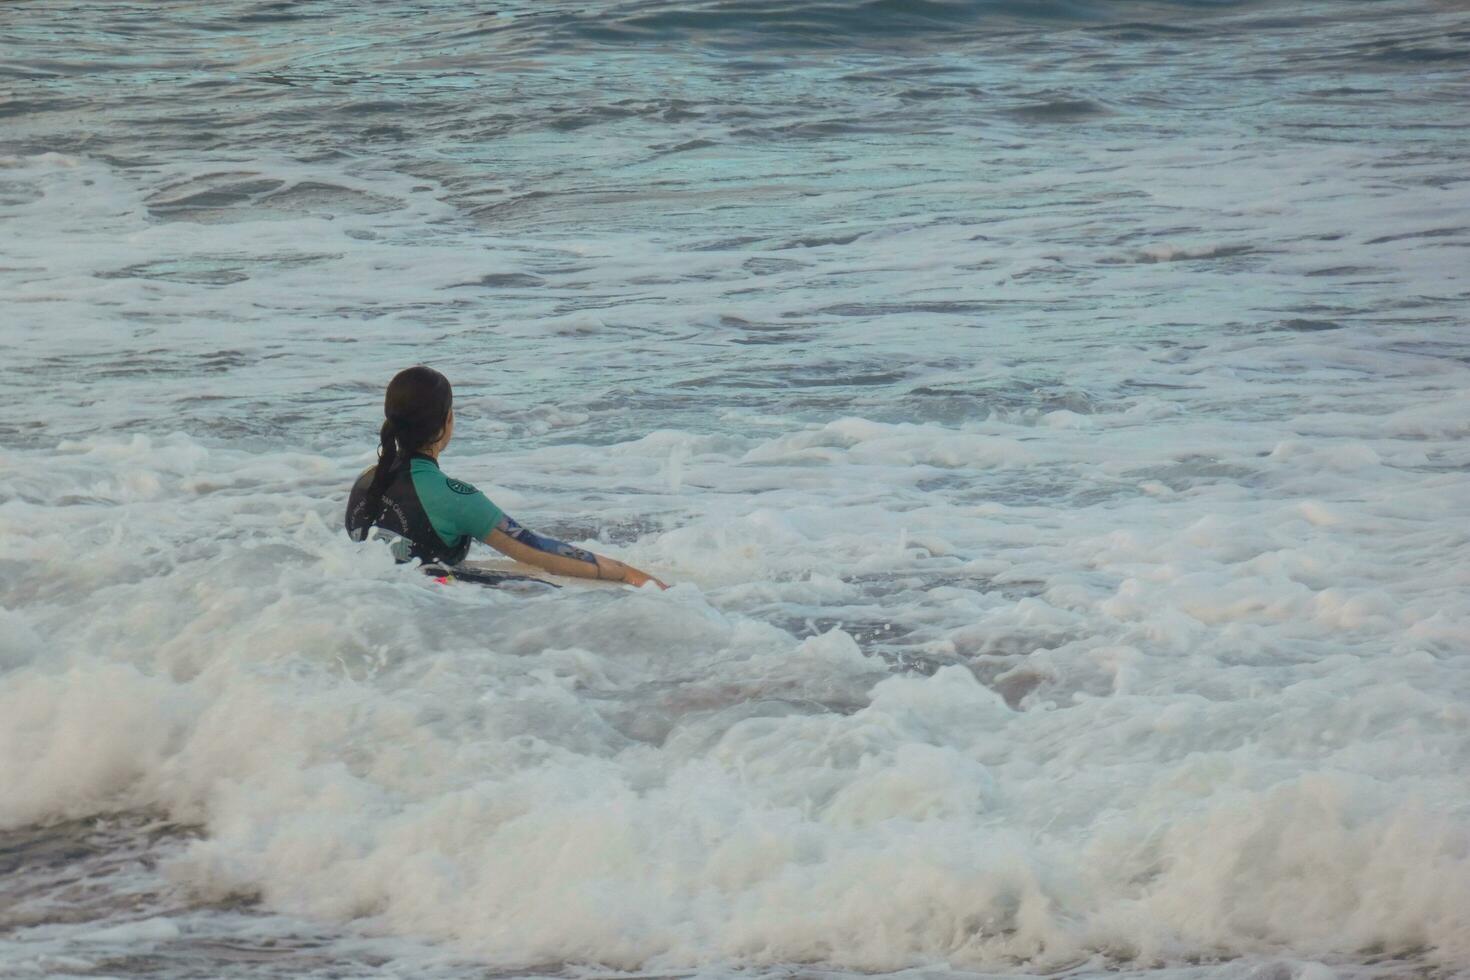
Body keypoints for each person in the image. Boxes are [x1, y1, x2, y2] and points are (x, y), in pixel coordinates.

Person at [346, 366, 666, 589]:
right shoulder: (453, 497)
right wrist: (626, 574)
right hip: (432, 608)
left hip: (379, 600)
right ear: (447, 421)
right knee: (544, 586)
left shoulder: (365, 481)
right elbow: (540, 551)